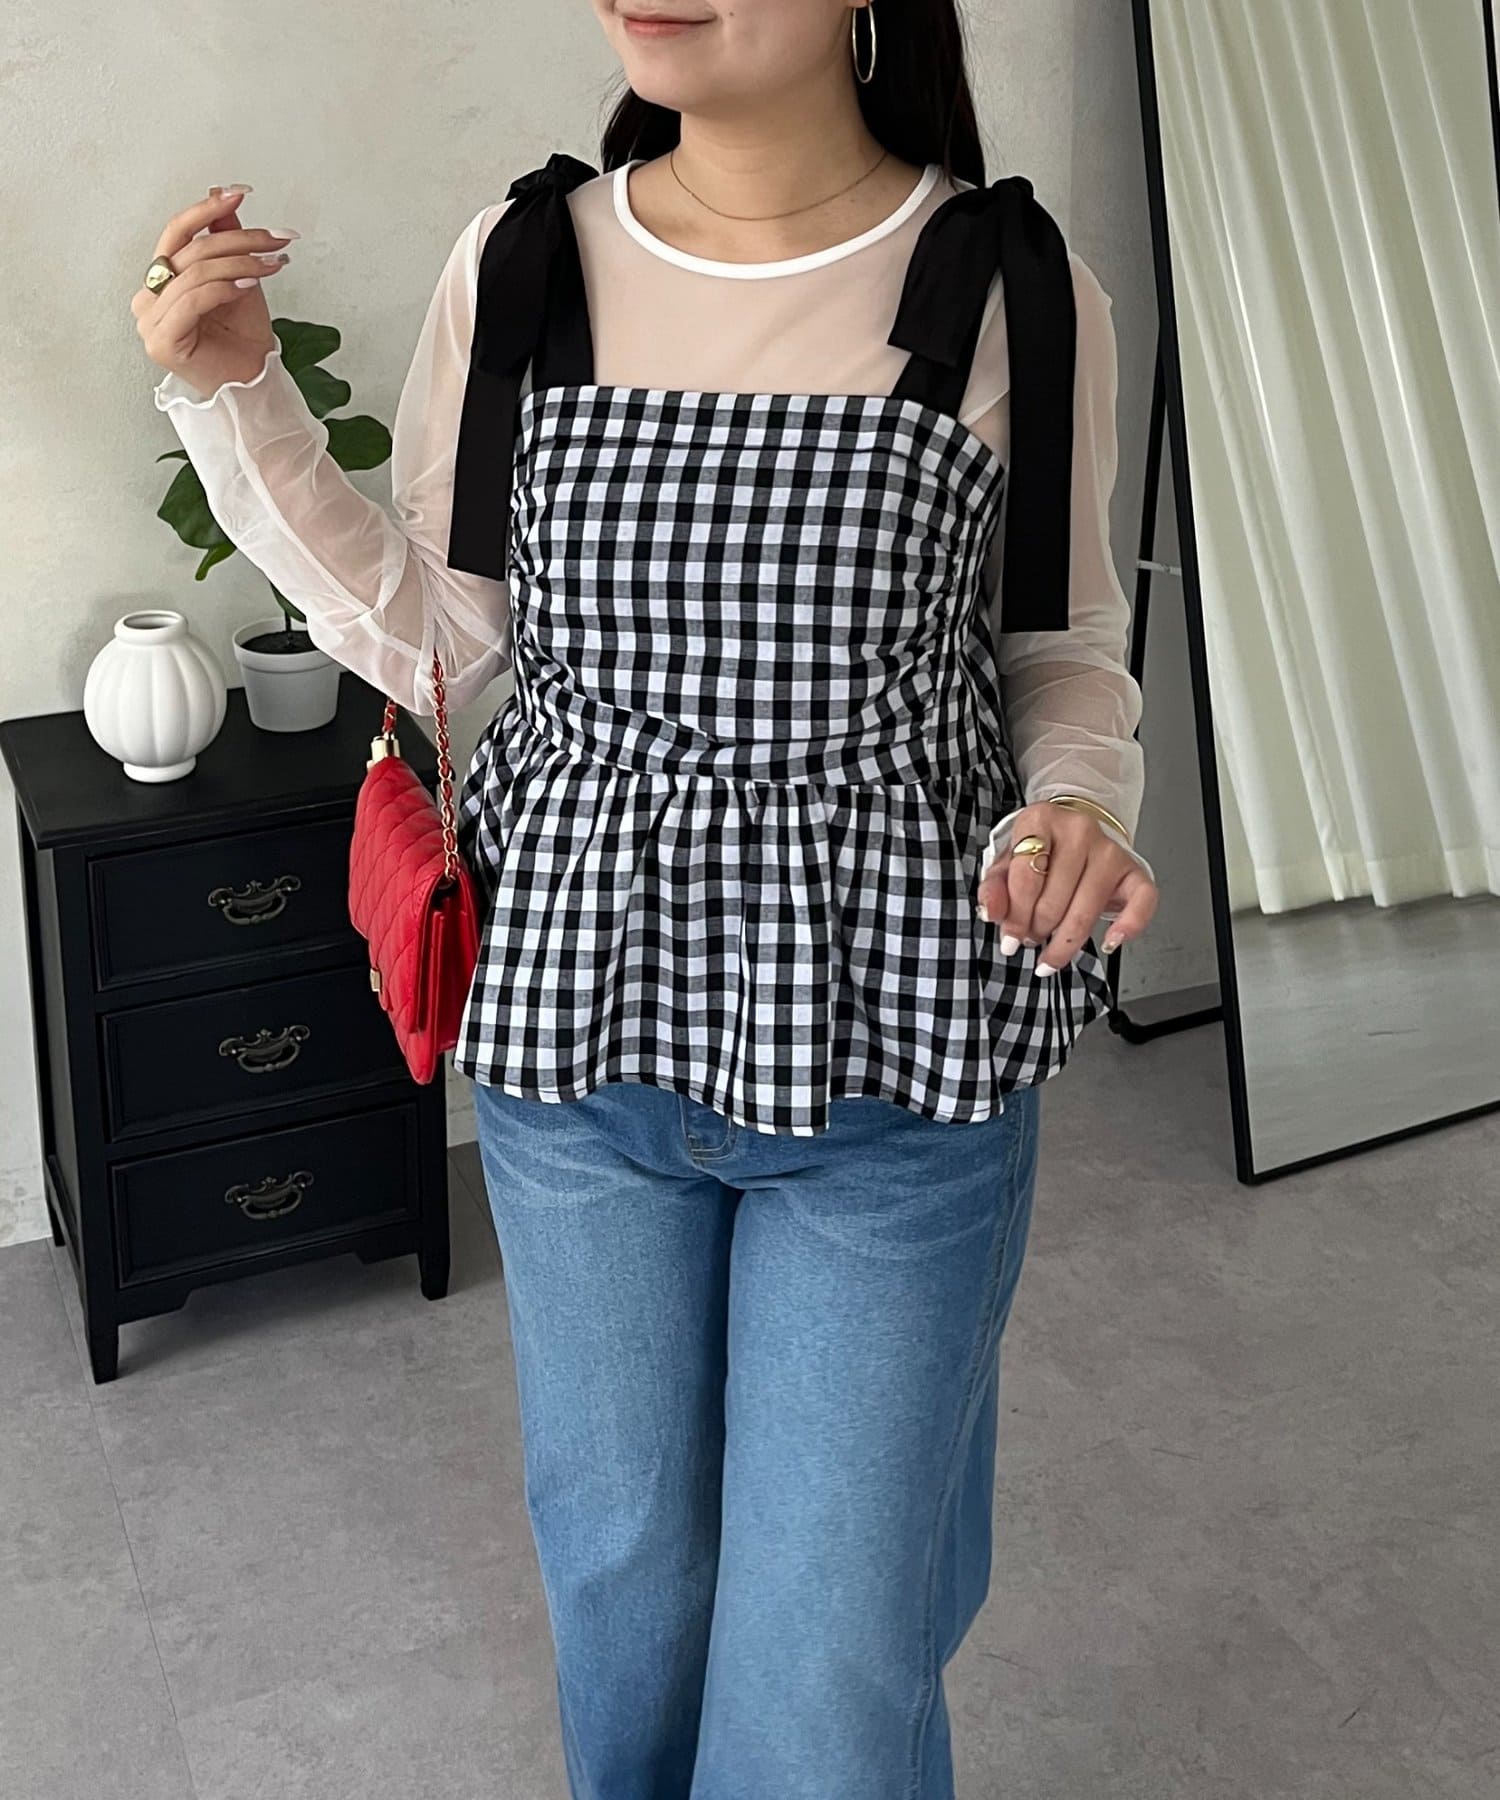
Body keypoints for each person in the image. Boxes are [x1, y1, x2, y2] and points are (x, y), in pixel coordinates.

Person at [135, 4, 1160, 1793]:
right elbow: (453, 642)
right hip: (578, 1046)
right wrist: (239, 396)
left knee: (832, 1650)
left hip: (893, 1061)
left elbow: (1057, 650)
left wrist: (1072, 804)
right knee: (625, 1590)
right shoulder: (525, 257)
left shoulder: (1012, 283)